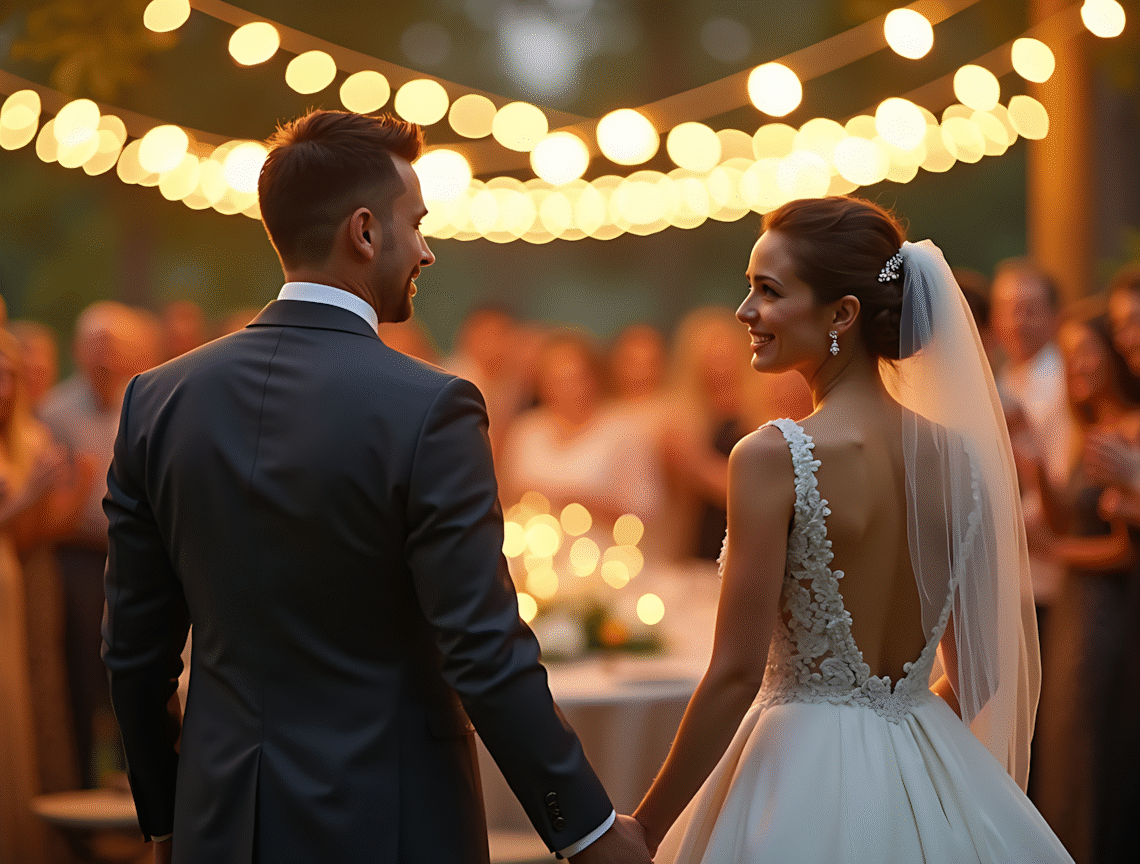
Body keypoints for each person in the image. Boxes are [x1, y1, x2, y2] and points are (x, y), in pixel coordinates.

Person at [101, 110, 650, 864]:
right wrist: (588, 831)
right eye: (415, 224)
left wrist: (166, 820)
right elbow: (483, 650)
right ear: (364, 233)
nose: (425, 250)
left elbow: (133, 653)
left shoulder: (156, 401)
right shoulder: (431, 407)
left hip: (219, 824)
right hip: (392, 822)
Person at [630, 196, 1071, 862]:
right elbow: (982, 673)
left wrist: (642, 829)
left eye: (767, 291)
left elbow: (734, 674)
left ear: (842, 314)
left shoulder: (770, 456)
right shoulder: (961, 458)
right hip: (929, 763)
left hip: (792, 777)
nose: (745, 312)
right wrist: (896, 744)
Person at [1018, 315, 1140, 862]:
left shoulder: (1131, 431)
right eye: (1069, 357)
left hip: (1108, 614)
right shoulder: (1086, 430)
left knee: (1093, 750)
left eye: (1089, 351)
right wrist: (1037, 464)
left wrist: (1056, 552)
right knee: (1062, 750)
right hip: (1072, 611)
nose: (1079, 366)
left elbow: (1125, 549)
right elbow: (1067, 520)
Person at [500, 329, 661, 526]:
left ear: (594, 378)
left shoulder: (624, 430)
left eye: (575, 378)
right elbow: (506, 499)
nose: (567, 389)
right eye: (556, 380)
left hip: (602, 548)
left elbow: (646, 513)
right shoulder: (526, 430)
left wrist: (583, 504)